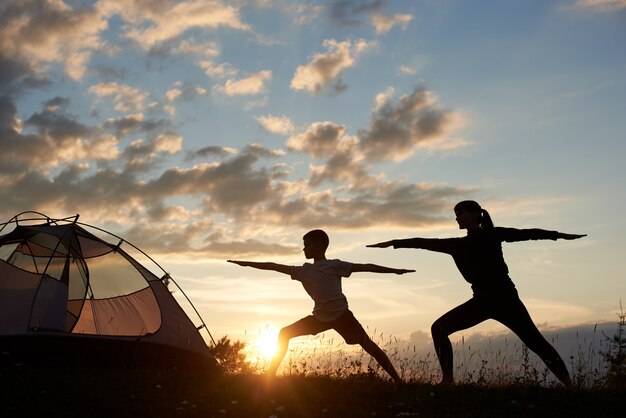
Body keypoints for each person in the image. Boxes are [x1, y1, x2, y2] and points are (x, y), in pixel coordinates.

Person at [367, 200, 585, 387]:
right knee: (439, 328)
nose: (457, 218)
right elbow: (423, 243)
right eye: (455, 215)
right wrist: (394, 243)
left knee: (536, 343)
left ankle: (571, 387)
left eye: (460, 213)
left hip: (506, 298)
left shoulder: (493, 234)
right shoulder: (456, 245)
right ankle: (448, 381)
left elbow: (528, 234)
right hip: (481, 301)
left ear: (474, 214)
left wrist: (559, 235)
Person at [228, 229, 414, 383]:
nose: (304, 249)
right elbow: (273, 266)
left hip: (342, 316)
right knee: (284, 333)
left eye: (307, 245)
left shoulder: (335, 265)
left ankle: (398, 382)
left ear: (319, 246)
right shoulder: (303, 271)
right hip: (319, 318)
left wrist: (395, 271)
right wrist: (245, 264)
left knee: (369, 346)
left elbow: (366, 266)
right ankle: (269, 378)